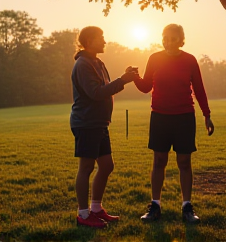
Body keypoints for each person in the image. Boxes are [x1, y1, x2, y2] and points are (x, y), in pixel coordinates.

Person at [131, 24, 214, 224]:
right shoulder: (154, 58)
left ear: (181, 40)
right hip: (159, 116)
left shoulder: (190, 60)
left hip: (184, 117)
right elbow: (145, 87)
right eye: (165, 37)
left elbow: (200, 89)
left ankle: (187, 207)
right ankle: (155, 206)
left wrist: (207, 115)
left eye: (173, 38)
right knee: (159, 161)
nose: (168, 41)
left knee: (184, 162)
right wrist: (134, 77)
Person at [70, 26, 137, 228]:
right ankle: (83, 214)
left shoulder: (97, 62)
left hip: (99, 123)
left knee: (107, 165)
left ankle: (96, 209)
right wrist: (122, 80)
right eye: (101, 38)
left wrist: (122, 78)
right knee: (87, 167)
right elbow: (96, 93)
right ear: (89, 41)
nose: (105, 41)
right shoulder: (83, 64)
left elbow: (105, 88)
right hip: (87, 122)